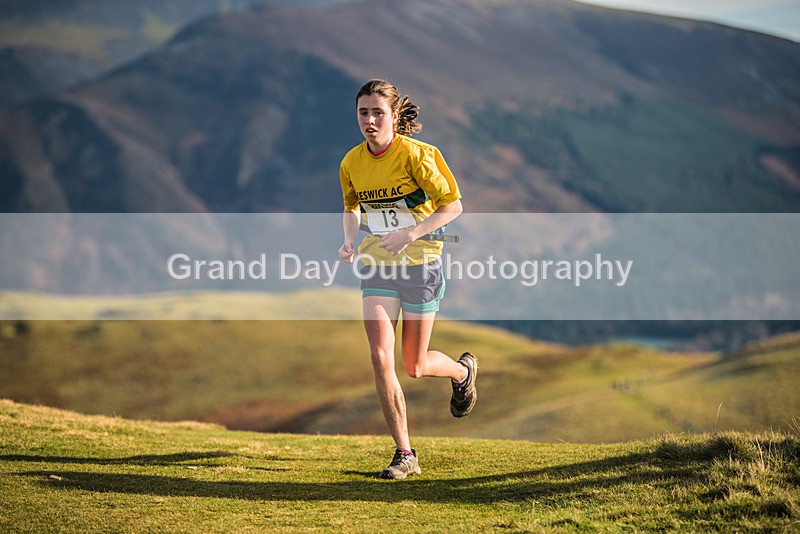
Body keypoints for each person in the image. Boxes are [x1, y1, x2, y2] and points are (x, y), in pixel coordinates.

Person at [338, 79, 478, 480]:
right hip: (378, 265)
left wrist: (410, 234)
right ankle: (405, 453)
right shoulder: (351, 162)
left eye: (378, 112)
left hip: (421, 266)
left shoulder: (419, 155)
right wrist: (349, 242)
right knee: (380, 356)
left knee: (414, 365)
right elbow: (351, 207)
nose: (369, 120)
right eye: (363, 112)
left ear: (394, 117)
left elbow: (453, 206)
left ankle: (462, 372)